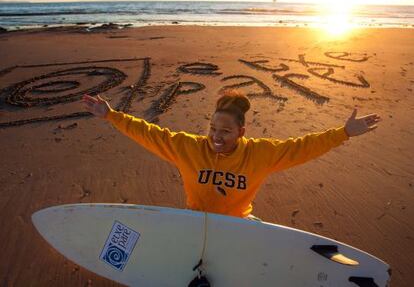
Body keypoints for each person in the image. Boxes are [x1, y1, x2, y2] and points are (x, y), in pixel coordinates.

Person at [81, 91, 380, 221]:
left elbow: (302, 146)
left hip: (239, 224)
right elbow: (150, 133)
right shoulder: (189, 147)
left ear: (241, 131)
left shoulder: (261, 154)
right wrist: (111, 115)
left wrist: (344, 133)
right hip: (194, 221)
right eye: (212, 128)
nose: (216, 137)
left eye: (224, 131)